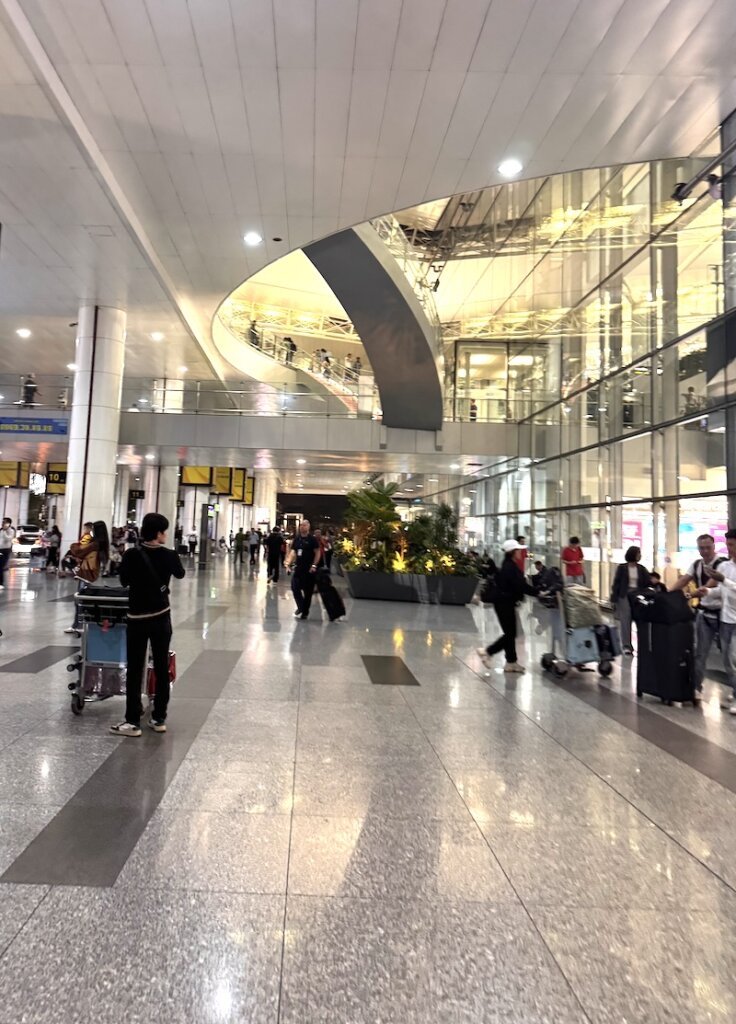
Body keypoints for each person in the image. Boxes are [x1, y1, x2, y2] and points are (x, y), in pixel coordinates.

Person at [111, 512, 185, 737]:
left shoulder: (132, 554)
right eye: (165, 531)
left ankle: (133, 721)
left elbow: (124, 581)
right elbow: (180, 574)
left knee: (135, 669)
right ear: (159, 533)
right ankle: (158, 718)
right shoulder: (170, 555)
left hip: (138, 619)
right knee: (161, 667)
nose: (166, 534)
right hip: (161, 617)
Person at [688, 531, 736, 705]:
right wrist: (707, 591)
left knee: (731, 658)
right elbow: (721, 590)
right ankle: (696, 687)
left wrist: (722, 580)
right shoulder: (724, 567)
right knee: (706, 654)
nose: (729, 548)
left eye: (731, 545)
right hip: (718, 617)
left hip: (730, 619)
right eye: (728, 544)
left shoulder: (721, 567)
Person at [476, 539, 537, 672]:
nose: (521, 552)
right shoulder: (510, 567)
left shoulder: (510, 565)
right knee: (510, 634)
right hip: (504, 603)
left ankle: (511, 662)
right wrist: (538, 592)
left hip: (506, 602)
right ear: (513, 552)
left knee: (510, 633)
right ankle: (488, 652)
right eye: (519, 550)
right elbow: (520, 586)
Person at [64, 521, 110, 633]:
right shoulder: (102, 543)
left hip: (86, 574)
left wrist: (73, 546)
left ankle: (78, 625)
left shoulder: (94, 544)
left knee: (80, 600)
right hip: (91, 574)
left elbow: (78, 551)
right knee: (85, 600)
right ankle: (79, 624)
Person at [610, 545, 650, 655]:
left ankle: (642, 644)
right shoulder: (622, 568)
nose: (640, 555)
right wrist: (614, 598)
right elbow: (616, 583)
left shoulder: (641, 569)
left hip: (637, 595)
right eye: (638, 553)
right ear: (633, 554)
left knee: (639, 618)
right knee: (626, 619)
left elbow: (648, 581)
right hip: (624, 594)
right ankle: (627, 646)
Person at [285, 519, 321, 619]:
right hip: (298, 568)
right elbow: (293, 553)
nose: (302, 527)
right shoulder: (297, 539)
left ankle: (305, 612)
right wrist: (288, 565)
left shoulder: (312, 540)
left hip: (309, 569)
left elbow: (318, 552)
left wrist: (314, 565)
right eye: (301, 525)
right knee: (295, 587)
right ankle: (301, 607)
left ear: (308, 527)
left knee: (308, 592)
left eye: (304, 525)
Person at [0, 517, 15, 590]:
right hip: (0, 549)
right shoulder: (1, 530)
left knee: (1, 566)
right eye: (2, 522)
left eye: (4, 522)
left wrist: (4, 531)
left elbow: (8, 539)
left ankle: (1, 583)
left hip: (5, 550)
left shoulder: (11, 531)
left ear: (8, 523)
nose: (2, 523)